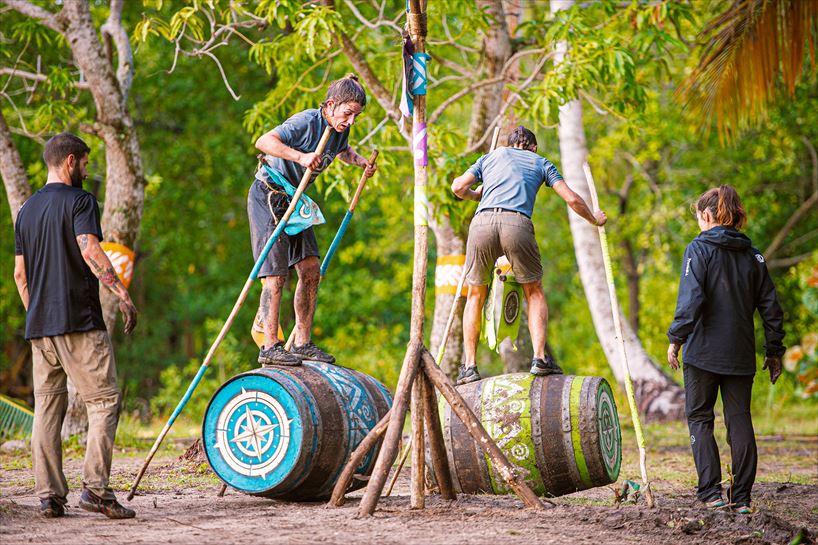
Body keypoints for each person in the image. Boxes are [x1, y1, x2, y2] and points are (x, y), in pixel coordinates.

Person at [13, 133, 138, 519]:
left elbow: (20, 275)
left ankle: (49, 496)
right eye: (84, 163)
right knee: (105, 401)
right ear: (70, 160)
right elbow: (89, 248)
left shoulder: (27, 211)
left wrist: (38, 316)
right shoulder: (81, 201)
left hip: (40, 328)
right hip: (79, 322)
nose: (86, 171)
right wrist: (121, 293)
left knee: (48, 408)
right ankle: (96, 490)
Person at [451, 126, 606, 385]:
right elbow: (572, 199)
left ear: (509, 143)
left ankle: (469, 366)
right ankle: (539, 358)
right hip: (517, 224)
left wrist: (477, 196)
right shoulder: (541, 162)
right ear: (533, 147)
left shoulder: (490, 157)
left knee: (475, 294)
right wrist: (594, 219)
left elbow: (457, 187)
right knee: (534, 292)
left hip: (482, 223)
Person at [667, 185, 785, 514]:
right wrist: (774, 350)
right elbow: (771, 307)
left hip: (702, 353)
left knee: (700, 419)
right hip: (740, 353)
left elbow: (691, 299)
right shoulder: (753, 255)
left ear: (707, 215)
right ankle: (742, 498)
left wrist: (676, 338)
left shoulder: (698, 249)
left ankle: (711, 493)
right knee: (739, 419)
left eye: (698, 217)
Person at [250, 74, 376, 366]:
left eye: (356, 116)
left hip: (297, 201)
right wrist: (300, 157)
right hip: (270, 194)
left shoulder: (339, 130)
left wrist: (360, 162)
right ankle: (270, 345)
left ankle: (302, 343)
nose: (351, 121)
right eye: (347, 113)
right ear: (330, 105)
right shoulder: (306, 121)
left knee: (310, 270)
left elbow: (342, 151)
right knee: (275, 274)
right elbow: (263, 141)